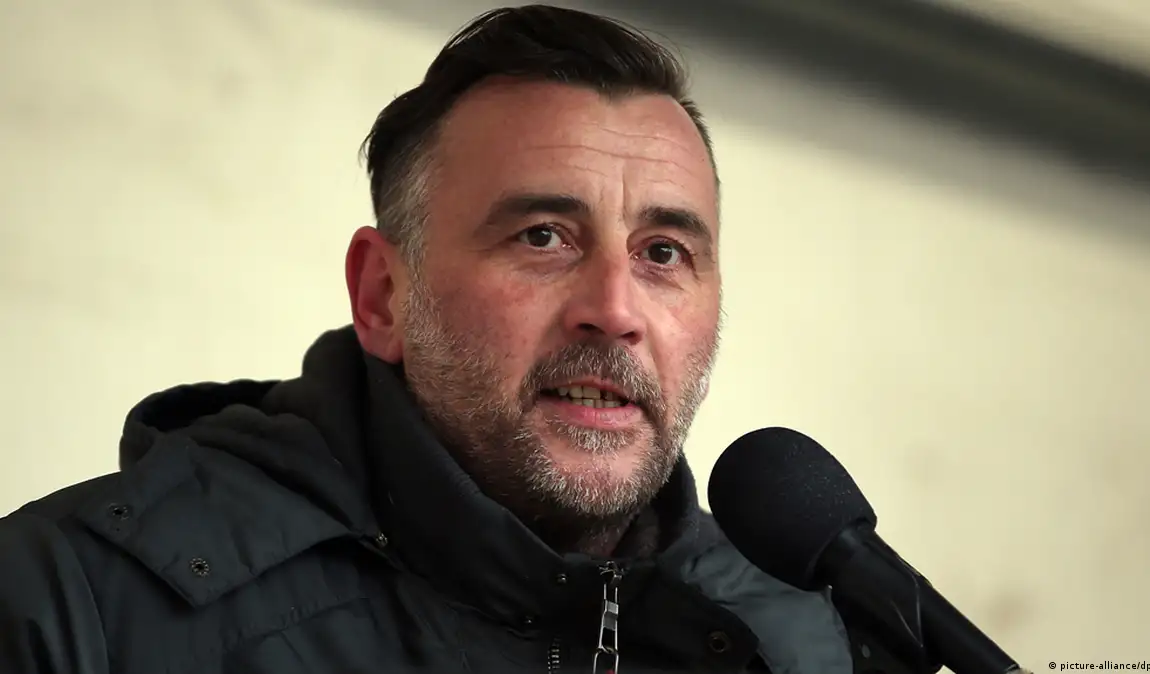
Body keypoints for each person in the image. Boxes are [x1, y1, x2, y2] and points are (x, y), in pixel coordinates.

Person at [0, 5, 853, 673]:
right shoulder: (73, 605)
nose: (613, 308)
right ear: (382, 297)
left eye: (662, 253)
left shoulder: (805, 637)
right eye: (542, 237)